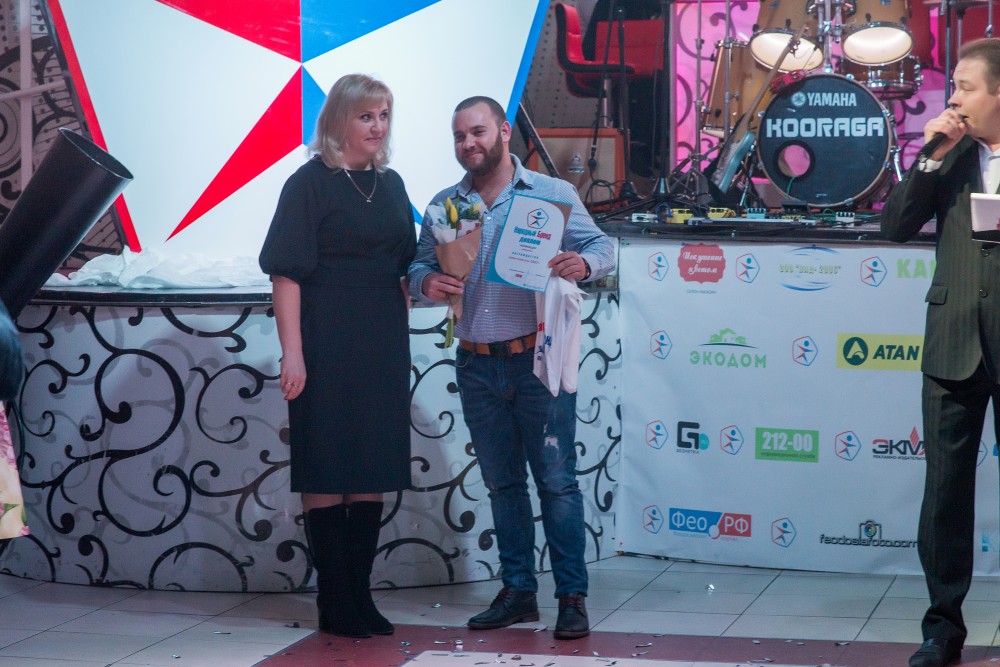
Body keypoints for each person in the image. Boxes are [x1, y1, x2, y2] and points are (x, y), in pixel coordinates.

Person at [407, 96, 615, 640]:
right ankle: (519, 592)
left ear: (503, 131)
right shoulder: (445, 205)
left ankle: (571, 596)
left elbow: (602, 247)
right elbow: (418, 267)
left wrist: (584, 262)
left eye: (477, 132)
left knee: (557, 483)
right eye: (459, 136)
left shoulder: (551, 194)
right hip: (476, 363)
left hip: (537, 362)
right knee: (503, 486)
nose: (468, 144)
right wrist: (426, 282)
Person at [259, 73, 416, 639]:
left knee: (372, 464)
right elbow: (286, 273)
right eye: (366, 115)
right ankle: (334, 597)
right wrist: (293, 354)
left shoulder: (392, 184)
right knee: (328, 462)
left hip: (381, 340)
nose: (377, 126)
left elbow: (405, 268)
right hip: (324, 337)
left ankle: (359, 594)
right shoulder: (308, 183)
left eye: (384, 115)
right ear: (339, 121)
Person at [881, 37, 1000, 667]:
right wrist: (929, 154)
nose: (953, 98)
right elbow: (894, 225)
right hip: (953, 341)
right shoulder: (946, 156)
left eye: (965, 87)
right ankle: (942, 630)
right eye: (953, 85)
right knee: (945, 494)